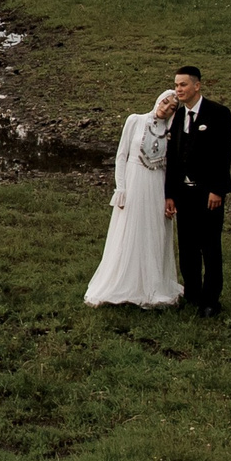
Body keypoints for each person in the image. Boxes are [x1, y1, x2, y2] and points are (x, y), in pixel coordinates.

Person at [86, 89, 182, 307]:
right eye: (165, 102)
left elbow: (171, 165)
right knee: (130, 228)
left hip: (157, 184)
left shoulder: (170, 131)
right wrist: (120, 188)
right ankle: (124, 281)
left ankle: (152, 283)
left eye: (172, 107)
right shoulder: (135, 121)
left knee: (154, 230)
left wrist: (170, 196)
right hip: (135, 180)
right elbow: (121, 156)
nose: (165, 108)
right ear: (158, 99)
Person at [163, 66, 231, 316]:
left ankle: (211, 301)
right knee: (188, 247)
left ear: (197, 86)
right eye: (176, 85)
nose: (179, 90)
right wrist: (169, 194)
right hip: (184, 194)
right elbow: (172, 158)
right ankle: (192, 294)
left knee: (210, 247)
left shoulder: (218, 113)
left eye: (183, 85)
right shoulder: (177, 117)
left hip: (208, 194)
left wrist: (218, 189)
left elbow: (223, 154)